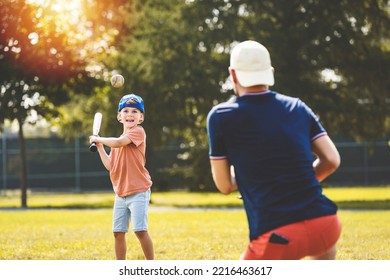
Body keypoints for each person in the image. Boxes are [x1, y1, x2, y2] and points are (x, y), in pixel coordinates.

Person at [206, 40, 342, 260]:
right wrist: (292, 182)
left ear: (233, 74)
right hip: (325, 223)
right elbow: (332, 160)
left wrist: (251, 176)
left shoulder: (221, 116)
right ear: (270, 72)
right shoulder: (297, 106)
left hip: (277, 236)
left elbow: (224, 185)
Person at [89, 93, 154, 260]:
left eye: (135, 111)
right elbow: (111, 166)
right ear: (119, 116)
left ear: (141, 118)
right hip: (121, 193)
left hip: (138, 190)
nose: (130, 114)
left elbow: (118, 142)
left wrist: (99, 138)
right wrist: (101, 147)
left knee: (140, 230)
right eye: (125, 111)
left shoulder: (138, 132)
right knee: (118, 233)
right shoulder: (117, 141)